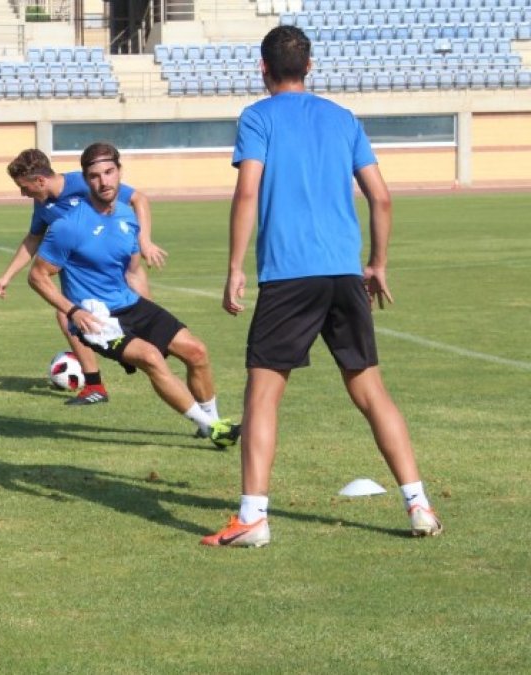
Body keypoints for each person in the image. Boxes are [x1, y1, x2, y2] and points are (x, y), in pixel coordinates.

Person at [202, 26, 441, 548]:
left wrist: (235, 267)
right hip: (343, 273)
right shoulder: (342, 118)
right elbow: (380, 198)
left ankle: (253, 517)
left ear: (262, 69)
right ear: (310, 66)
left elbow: (247, 193)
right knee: (370, 391)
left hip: (289, 275)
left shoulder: (257, 117)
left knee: (263, 393)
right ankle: (418, 503)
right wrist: (376, 263)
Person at [27, 142, 237, 448]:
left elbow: (133, 270)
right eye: (95, 176)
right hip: (97, 319)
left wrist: (149, 312)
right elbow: (37, 276)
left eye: (109, 172)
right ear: (85, 180)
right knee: (152, 358)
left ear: (120, 172)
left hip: (131, 305)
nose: (104, 181)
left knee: (197, 352)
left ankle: (210, 421)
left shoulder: (128, 216)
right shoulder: (67, 226)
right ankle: (213, 427)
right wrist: (73, 313)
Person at [0, 148, 168, 406]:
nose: (23, 193)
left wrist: (144, 240)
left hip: (114, 264)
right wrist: (7, 276)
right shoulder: (42, 203)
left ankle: (147, 357)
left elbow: (139, 199)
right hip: (82, 273)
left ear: (40, 180)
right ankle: (95, 385)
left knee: (148, 329)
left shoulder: (82, 182)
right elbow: (34, 238)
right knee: (66, 313)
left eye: (24, 187)